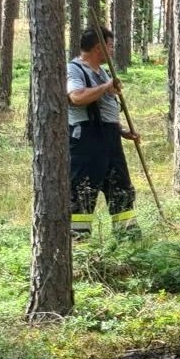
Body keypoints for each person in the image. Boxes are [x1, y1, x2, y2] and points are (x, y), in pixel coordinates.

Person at [66, 26, 138, 240]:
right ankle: (79, 242)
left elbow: (105, 109)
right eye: (110, 46)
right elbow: (77, 97)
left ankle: (127, 239)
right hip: (86, 140)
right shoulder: (75, 69)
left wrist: (122, 131)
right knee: (83, 190)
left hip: (110, 138)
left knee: (120, 187)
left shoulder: (102, 71)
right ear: (99, 48)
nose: (113, 50)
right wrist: (106, 87)